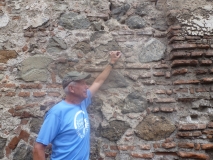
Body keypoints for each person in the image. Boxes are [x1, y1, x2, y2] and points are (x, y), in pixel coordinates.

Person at [33, 51, 122, 160]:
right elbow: (38, 148)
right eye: (83, 84)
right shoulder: (57, 113)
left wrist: (112, 62)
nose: (86, 86)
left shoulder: (82, 102)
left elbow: (98, 82)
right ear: (72, 89)